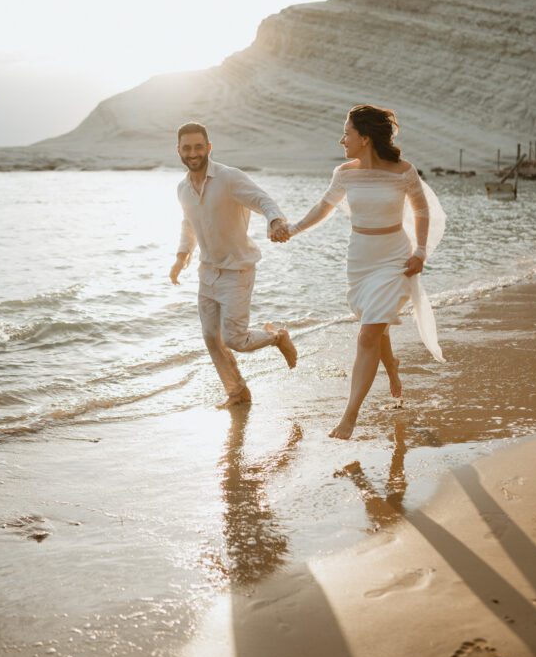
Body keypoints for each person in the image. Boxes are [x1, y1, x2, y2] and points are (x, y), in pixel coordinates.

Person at [278, 104, 445, 440]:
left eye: (347, 133)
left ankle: (349, 417)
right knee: (374, 323)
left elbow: (422, 211)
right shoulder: (344, 173)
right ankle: (392, 367)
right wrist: (293, 229)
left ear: (365, 138)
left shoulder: (403, 171)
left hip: (395, 260)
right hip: (360, 261)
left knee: (368, 334)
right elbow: (323, 207)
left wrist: (420, 251)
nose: (342, 140)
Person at [170, 122, 297, 408]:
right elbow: (188, 224)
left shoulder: (228, 178)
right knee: (210, 337)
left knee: (235, 339)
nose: (193, 153)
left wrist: (275, 220)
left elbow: (262, 199)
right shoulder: (182, 189)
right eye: (187, 148)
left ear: (209, 147)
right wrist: (181, 257)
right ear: (178, 150)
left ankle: (277, 337)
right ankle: (237, 392)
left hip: (237, 270)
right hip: (207, 272)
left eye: (198, 146)